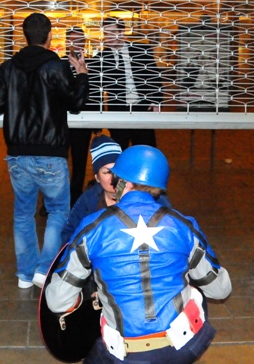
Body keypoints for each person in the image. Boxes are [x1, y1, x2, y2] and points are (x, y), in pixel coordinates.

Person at [46, 145, 231, 363]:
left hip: (123, 353)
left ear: (122, 182)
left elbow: (56, 301)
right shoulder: (184, 225)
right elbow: (220, 290)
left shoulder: (91, 228)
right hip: (182, 349)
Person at [0, 13, 89, 289]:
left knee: (23, 213)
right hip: (51, 153)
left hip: (17, 153)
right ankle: (44, 269)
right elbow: (76, 102)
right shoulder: (55, 67)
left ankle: (24, 273)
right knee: (58, 211)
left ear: (25, 35)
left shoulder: (8, 67)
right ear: (49, 36)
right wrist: (82, 75)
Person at [61, 135, 171, 243]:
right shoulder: (88, 199)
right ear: (97, 178)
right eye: (107, 172)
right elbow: (69, 234)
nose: (114, 178)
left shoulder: (151, 195)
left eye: (117, 171)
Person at [91, 17, 161, 148]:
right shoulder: (100, 58)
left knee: (145, 150)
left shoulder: (141, 51)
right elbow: (96, 90)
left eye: (112, 32)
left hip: (142, 110)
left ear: (122, 32)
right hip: (118, 112)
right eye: (106, 33)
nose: (109, 37)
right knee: (119, 153)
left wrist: (155, 100)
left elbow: (154, 76)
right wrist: (97, 121)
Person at [64, 26, 96, 206]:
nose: (76, 44)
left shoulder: (92, 63)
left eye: (79, 40)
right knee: (58, 164)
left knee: (80, 162)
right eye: (72, 40)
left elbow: (95, 92)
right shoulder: (59, 63)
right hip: (62, 121)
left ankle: (75, 198)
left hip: (83, 120)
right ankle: (52, 201)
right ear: (67, 42)